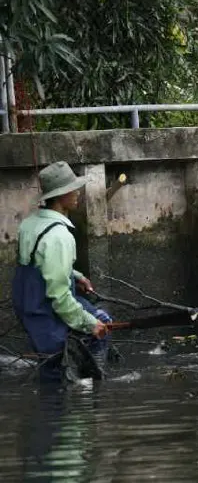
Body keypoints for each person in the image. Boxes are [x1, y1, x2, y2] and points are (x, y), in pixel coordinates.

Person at [12, 161, 112, 383]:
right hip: (46, 311)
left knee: (51, 363)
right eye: (72, 189)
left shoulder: (30, 223)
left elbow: (38, 264)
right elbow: (60, 298)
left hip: (27, 307)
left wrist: (74, 276)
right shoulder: (60, 236)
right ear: (60, 196)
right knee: (100, 326)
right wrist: (90, 324)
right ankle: (93, 386)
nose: (77, 193)